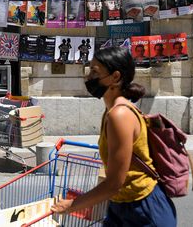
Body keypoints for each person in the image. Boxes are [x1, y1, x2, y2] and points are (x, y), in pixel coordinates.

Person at [51, 47, 177, 226]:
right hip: (121, 205)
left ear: (115, 77)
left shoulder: (119, 115)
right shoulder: (110, 111)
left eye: (95, 72)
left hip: (142, 210)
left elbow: (114, 183)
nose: (88, 77)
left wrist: (72, 205)